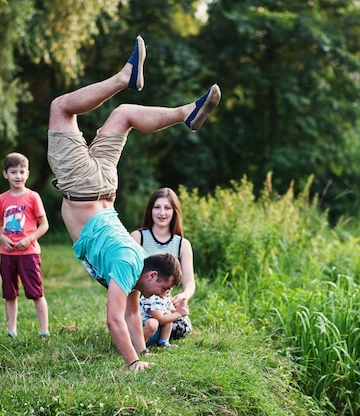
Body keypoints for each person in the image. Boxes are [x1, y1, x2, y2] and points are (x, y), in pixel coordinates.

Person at [46, 35, 221, 371]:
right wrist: (132, 364)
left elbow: (129, 314)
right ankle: (126, 80)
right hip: (83, 188)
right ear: (152, 274)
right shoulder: (130, 264)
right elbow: (113, 320)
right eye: (162, 289)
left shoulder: (136, 269)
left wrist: (143, 356)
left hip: (104, 189)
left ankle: (186, 111)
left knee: (124, 114)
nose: (158, 296)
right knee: (60, 108)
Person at [0, 152, 50, 338]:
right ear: (5, 174)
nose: (18, 176)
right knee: (9, 294)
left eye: (21, 172)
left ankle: (44, 330)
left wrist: (29, 239)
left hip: (29, 254)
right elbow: (0, 226)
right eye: (13, 172)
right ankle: (12, 331)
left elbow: (44, 225)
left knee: (36, 293)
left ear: (27, 174)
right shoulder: (2, 199)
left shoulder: (33, 197)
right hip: (7, 255)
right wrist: (3, 238)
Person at [131, 188, 195, 347]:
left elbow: (189, 282)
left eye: (167, 208)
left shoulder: (182, 244)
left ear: (175, 212)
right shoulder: (138, 237)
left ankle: (157, 336)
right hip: (139, 303)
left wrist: (182, 296)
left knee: (183, 326)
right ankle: (141, 332)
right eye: (157, 207)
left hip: (164, 303)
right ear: (150, 210)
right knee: (148, 321)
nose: (162, 213)